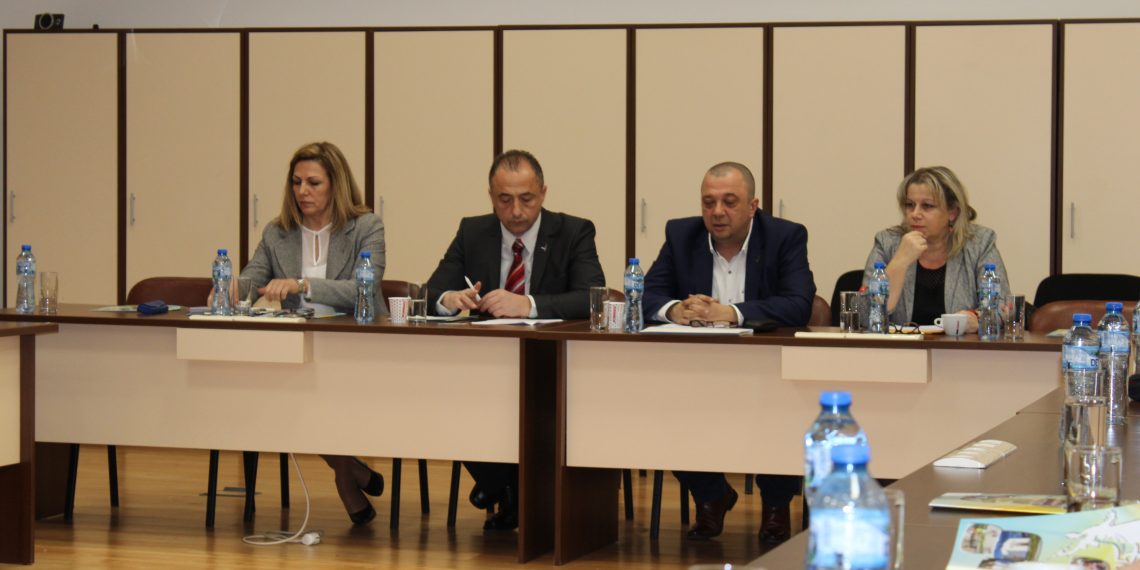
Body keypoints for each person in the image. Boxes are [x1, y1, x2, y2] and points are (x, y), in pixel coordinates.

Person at [424, 149, 605, 530]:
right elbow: (431, 292)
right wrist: (450, 300)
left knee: (533, 407)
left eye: (527, 198)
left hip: (552, 364)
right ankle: (504, 486)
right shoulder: (473, 231)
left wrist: (528, 304)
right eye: (505, 200)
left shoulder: (573, 232)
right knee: (445, 394)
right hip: (485, 367)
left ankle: (509, 493)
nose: (517, 211)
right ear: (491, 197)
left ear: (544, 193)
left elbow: (591, 297)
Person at [642, 161, 815, 543]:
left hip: (767, 371)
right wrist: (675, 310)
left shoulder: (785, 236)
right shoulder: (681, 235)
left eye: (729, 202)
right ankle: (711, 495)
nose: (717, 212)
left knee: (786, 405)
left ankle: (776, 505)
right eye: (709, 202)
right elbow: (647, 294)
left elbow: (798, 303)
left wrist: (731, 313)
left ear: (753, 206)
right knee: (659, 403)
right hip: (697, 371)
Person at [239, 141, 388, 525]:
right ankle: (350, 472)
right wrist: (228, 290)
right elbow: (251, 279)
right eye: (296, 182)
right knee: (282, 393)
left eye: (313, 183)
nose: (302, 191)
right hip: (301, 349)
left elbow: (363, 290)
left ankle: (347, 477)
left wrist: (303, 285)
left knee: (305, 393)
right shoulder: (278, 233)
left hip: (359, 347)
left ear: (336, 184)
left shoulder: (366, 227)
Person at [862, 166, 1009, 331]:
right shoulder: (887, 242)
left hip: (958, 345)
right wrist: (900, 261)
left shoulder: (979, 243)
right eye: (910, 205)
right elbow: (864, 316)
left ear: (952, 213)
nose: (915, 214)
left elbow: (1002, 308)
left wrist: (976, 319)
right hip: (902, 345)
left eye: (927, 206)